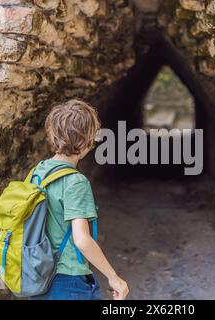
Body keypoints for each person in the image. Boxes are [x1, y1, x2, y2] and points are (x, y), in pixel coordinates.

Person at [29, 99, 129, 300]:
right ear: (87, 140)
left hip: (39, 276)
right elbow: (81, 239)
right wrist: (113, 277)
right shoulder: (76, 182)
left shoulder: (38, 171)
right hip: (68, 281)